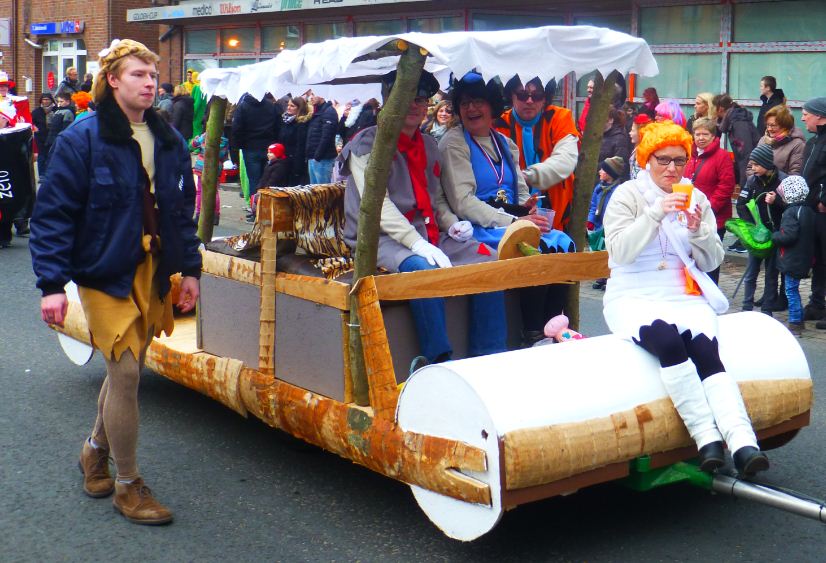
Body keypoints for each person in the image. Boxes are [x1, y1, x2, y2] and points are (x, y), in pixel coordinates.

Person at [29, 38, 202, 525]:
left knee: (127, 369)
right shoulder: (81, 138)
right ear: (112, 80)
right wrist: (51, 285)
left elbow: (180, 212)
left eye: (152, 76)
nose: (150, 84)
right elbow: (52, 215)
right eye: (137, 75)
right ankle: (128, 485)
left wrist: (191, 270)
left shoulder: (168, 138)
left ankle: (94, 449)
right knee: (125, 373)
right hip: (104, 270)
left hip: (153, 268)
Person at [602, 121, 768, 476]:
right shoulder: (628, 195)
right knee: (668, 343)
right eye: (663, 160)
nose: (672, 169)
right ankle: (707, 438)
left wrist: (698, 231)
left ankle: (743, 442)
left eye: (680, 161)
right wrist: (656, 212)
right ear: (647, 159)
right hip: (633, 294)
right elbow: (620, 252)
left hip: (682, 294)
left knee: (706, 350)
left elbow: (711, 261)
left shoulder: (696, 197)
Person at [338, 70, 506, 364]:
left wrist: (452, 225)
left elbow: (435, 198)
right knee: (423, 269)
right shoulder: (366, 144)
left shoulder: (428, 145)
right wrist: (416, 244)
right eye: (406, 98)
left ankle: (488, 355)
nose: (414, 105)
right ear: (388, 101)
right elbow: (378, 207)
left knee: (488, 260)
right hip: (380, 238)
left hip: (426, 232)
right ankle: (437, 361)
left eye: (421, 99)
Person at [441, 72, 574, 347]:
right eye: (464, 103)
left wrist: (529, 208)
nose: (471, 108)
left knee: (564, 243)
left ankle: (556, 327)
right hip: (478, 227)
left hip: (512, 220)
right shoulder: (454, 143)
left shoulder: (504, 143)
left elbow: (521, 191)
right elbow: (463, 202)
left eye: (478, 101)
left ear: (491, 105)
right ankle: (532, 333)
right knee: (534, 247)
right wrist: (516, 221)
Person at [495, 75, 580, 233]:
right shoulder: (498, 125)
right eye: (522, 95)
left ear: (545, 97)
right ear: (511, 95)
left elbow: (565, 161)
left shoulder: (560, 118)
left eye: (537, 95)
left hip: (558, 219)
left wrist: (526, 176)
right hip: (513, 220)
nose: (529, 101)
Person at [683, 117, 736, 284]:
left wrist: (709, 209)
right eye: (697, 134)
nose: (701, 138)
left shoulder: (722, 156)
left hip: (714, 216)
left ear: (713, 136)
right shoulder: (690, 155)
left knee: (709, 257)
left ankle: (710, 289)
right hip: (691, 215)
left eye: (705, 134)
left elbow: (726, 186)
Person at [738, 144, 786, 314]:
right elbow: (741, 204)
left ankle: (767, 309)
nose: (753, 168)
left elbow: (791, 208)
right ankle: (746, 307)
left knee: (771, 274)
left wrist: (777, 201)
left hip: (774, 235)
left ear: (767, 163)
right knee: (751, 272)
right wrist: (752, 226)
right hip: (757, 235)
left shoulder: (782, 181)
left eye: (757, 165)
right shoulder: (752, 181)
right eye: (751, 164)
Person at [772, 176, 815, 337]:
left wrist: (775, 236)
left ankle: (795, 322)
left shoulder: (791, 212)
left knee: (791, 290)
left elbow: (788, 236)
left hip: (792, 258)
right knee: (793, 289)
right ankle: (799, 318)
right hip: (804, 256)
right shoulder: (808, 210)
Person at [232, 92, 281, 220]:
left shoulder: (243, 106)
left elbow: (236, 128)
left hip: (250, 147)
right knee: (267, 179)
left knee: (254, 180)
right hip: (268, 147)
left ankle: (256, 211)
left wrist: (241, 144)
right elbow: (277, 126)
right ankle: (266, 210)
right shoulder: (271, 106)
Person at [799, 97, 826, 325]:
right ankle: (817, 304)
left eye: (806, 114)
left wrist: (824, 200)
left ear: (820, 116)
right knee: (817, 260)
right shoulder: (813, 142)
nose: (802, 118)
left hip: (823, 210)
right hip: (812, 211)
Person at [588, 156, 625, 290]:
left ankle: (609, 277)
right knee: (598, 250)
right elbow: (593, 205)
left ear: (610, 173)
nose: (600, 171)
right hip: (599, 225)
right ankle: (600, 275)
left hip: (610, 225)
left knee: (609, 251)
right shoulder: (599, 188)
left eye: (603, 170)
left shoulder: (618, 190)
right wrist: (590, 220)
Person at [714, 93, 760, 187]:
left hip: (751, 170)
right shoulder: (733, 121)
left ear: (720, 109)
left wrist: (745, 182)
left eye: (712, 108)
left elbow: (746, 154)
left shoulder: (738, 124)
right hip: (749, 167)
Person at [190, 129, 229, 226]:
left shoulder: (205, 136)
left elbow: (193, 145)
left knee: (200, 191)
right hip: (216, 167)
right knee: (214, 191)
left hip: (202, 166)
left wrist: (196, 139)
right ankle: (215, 216)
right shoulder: (224, 141)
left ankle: (199, 214)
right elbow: (224, 157)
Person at [754, 105, 805, 176]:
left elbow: (795, 175)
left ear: (785, 125)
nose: (769, 129)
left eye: (773, 125)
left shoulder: (797, 144)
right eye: (767, 125)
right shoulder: (763, 140)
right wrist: (755, 180)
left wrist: (770, 177)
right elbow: (751, 166)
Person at [305, 92, 339, 184]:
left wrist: (317, 156)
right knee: (314, 189)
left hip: (322, 158)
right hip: (314, 157)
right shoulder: (317, 111)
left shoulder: (329, 111)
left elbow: (327, 136)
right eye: (310, 95)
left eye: (313, 94)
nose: (311, 97)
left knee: (322, 188)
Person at [278, 95, 311, 186]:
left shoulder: (301, 124)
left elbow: (300, 146)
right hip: (284, 159)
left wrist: (297, 166)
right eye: (288, 105)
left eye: (292, 106)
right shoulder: (285, 120)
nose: (288, 108)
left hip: (294, 161)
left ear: (299, 108)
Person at [598, 107, 631, 180]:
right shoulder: (598, 135)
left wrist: (596, 167)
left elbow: (620, 164)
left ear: (610, 120)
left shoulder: (619, 138)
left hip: (609, 181)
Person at [31, 93, 55, 176]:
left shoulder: (56, 110)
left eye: (47, 99)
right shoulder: (36, 112)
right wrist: (34, 127)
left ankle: (51, 174)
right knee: (42, 156)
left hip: (52, 137)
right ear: (41, 101)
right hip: (40, 137)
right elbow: (31, 122)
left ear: (51, 100)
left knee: (52, 155)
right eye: (44, 99)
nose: (46, 101)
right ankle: (41, 175)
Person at [628, 113, 653, 180]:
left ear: (640, 133)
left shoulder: (647, 153)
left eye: (632, 130)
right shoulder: (637, 148)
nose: (630, 133)